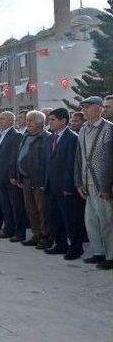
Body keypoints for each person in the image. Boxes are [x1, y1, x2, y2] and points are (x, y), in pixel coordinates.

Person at [74, 96, 113, 270]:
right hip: (86, 182)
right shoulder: (83, 129)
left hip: (102, 184)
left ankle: (111, 255)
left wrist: (106, 186)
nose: (84, 110)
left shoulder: (108, 129)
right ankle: (98, 252)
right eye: (83, 107)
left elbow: (109, 160)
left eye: (87, 107)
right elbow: (78, 157)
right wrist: (78, 182)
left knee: (107, 221)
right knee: (91, 220)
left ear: (99, 109)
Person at [44, 107, 87, 260]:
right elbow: (48, 163)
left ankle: (76, 248)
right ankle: (60, 244)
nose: (50, 122)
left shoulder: (72, 138)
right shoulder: (51, 138)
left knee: (70, 219)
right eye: (49, 119)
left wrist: (69, 186)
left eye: (52, 119)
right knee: (55, 219)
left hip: (66, 187)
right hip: (51, 186)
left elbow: (72, 165)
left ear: (63, 120)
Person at [16, 110, 52, 249]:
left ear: (40, 122)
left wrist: (45, 181)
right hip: (25, 179)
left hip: (39, 180)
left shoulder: (46, 138)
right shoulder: (25, 136)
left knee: (42, 209)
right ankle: (36, 234)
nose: (27, 123)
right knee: (30, 208)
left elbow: (47, 162)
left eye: (30, 120)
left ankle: (46, 236)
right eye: (27, 120)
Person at [0, 111, 26, 242]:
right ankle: (8, 229)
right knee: (5, 206)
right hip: (0, 177)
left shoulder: (16, 136)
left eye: (3, 119)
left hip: (10, 178)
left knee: (16, 206)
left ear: (11, 121)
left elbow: (14, 157)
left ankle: (20, 232)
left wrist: (13, 175)